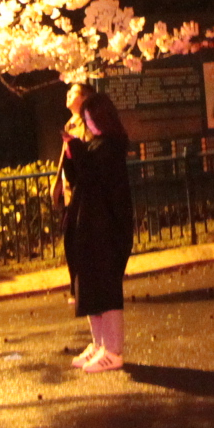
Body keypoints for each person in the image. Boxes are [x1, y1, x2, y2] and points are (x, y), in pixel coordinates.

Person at [56, 79, 133, 372]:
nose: (87, 124)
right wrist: (74, 153)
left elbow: (96, 178)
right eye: (85, 120)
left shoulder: (110, 147)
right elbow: (81, 179)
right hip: (88, 225)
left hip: (105, 229)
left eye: (90, 119)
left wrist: (77, 150)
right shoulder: (98, 146)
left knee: (105, 287)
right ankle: (100, 343)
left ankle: (112, 349)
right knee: (88, 286)